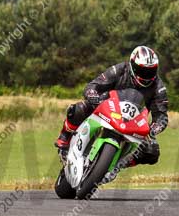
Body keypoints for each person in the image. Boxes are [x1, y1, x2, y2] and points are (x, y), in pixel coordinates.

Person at [54, 46, 169, 179]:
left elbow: (161, 115)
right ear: (132, 65)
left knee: (152, 152)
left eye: (150, 71)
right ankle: (64, 139)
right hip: (107, 107)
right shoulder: (120, 70)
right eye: (142, 70)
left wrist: (154, 128)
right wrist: (92, 94)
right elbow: (93, 85)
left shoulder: (158, 87)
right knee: (78, 109)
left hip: (133, 121)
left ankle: (119, 164)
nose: (146, 75)